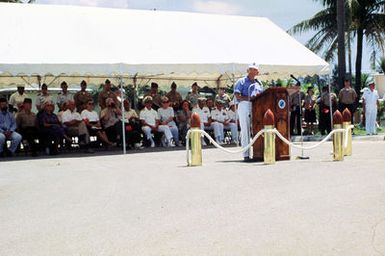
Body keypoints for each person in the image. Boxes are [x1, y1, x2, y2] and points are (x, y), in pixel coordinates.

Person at [234, 64, 263, 161]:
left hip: (256, 106)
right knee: (245, 130)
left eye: (255, 70)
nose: (254, 71)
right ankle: (246, 155)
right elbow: (237, 95)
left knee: (257, 128)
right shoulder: (241, 81)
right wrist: (250, 98)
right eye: (252, 69)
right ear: (248, 70)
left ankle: (258, 152)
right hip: (244, 105)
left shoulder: (259, 83)